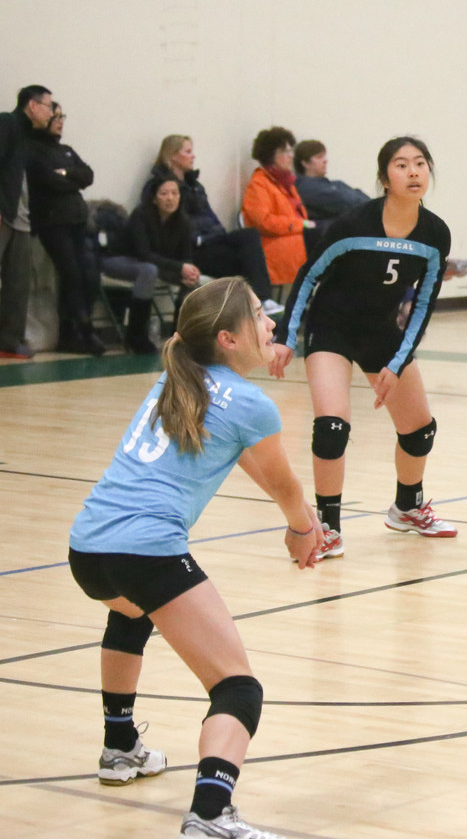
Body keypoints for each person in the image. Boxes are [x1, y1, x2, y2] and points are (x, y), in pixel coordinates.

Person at [67, 276, 323, 839]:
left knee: (131, 612)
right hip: (146, 552)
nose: (271, 323)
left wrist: (303, 520)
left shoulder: (175, 378)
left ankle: (119, 747)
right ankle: (210, 813)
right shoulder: (251, 403)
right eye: (259, 315)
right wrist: (303, 528)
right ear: (228, 339)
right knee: (238, 688)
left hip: (87, 546)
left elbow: (244, 459)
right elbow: (283, 483)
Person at [270, 136, 456, 558]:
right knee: (332, 427)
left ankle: (407, 507)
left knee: (420, 429)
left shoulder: (435, 234)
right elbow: (308, 276)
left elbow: (423, 304)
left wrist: (398, 361)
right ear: (384, 178)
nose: (413, 171)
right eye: (401, 165)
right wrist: (285, 337)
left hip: (380, 331)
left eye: (420, 163)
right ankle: (328, 528)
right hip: (332, 328)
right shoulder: (353, 224)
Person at [148, 135, 284, 315]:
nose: (193, 156)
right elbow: (171, 224)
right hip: (189, 249)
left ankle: (260, 302)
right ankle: (259, 303)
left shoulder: (196, 186)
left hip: (209, 240)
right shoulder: (161, 188)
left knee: (249, 240)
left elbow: (210, 216)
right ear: (172, 156)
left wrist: (217, 233)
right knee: (246, 259)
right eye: (188, 152)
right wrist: (201, 237)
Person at [26, 102, 105, 355]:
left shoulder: (66, 150)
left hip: (78, 220)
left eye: (62, 117)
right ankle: (80, 329)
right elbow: (48, 180)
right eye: (55, 116)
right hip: (52, 222)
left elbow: (87, 175)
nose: (60, 121)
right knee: (70, 274)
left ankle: (79, 325)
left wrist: (65, 174)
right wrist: (71, 178)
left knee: (88, 273)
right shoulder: (33, 149)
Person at [103, 176, 200, 353]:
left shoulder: (184, 222)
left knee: (191, 280)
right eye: (164, 193)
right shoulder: (141, 215)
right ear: (154, 198)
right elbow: (144, 253)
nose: (170, 198)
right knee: (149, 270)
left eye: (175, 193)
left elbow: (186, 256)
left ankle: (179, 338)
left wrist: (188, 271)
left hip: (156, 265)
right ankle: (136, 335)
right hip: (120, 260)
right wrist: (179, 268)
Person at [0, 84, 55, 359]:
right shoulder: (7, 123)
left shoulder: (31, 137)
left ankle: (9, 341)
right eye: (49, 106)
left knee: (17, 284)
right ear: (32, 105)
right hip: (4, 213)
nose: (52, 113)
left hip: (20, 219)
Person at [242, 127, 310, 287]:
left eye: (291, 150)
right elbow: (264, 222)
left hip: (295, 243)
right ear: (270, 155)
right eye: (285, 151)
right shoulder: (259, 184)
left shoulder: (286, 183)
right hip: (276, 250)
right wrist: (301, 224)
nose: (291, 156)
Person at [293, 139, 369, 246]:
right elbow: (345, 202)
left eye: (324, 156)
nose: (325, 160)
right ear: (305, 163)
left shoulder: (336, 184)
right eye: (319, 157)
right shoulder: (306, 188)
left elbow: (363, 200)